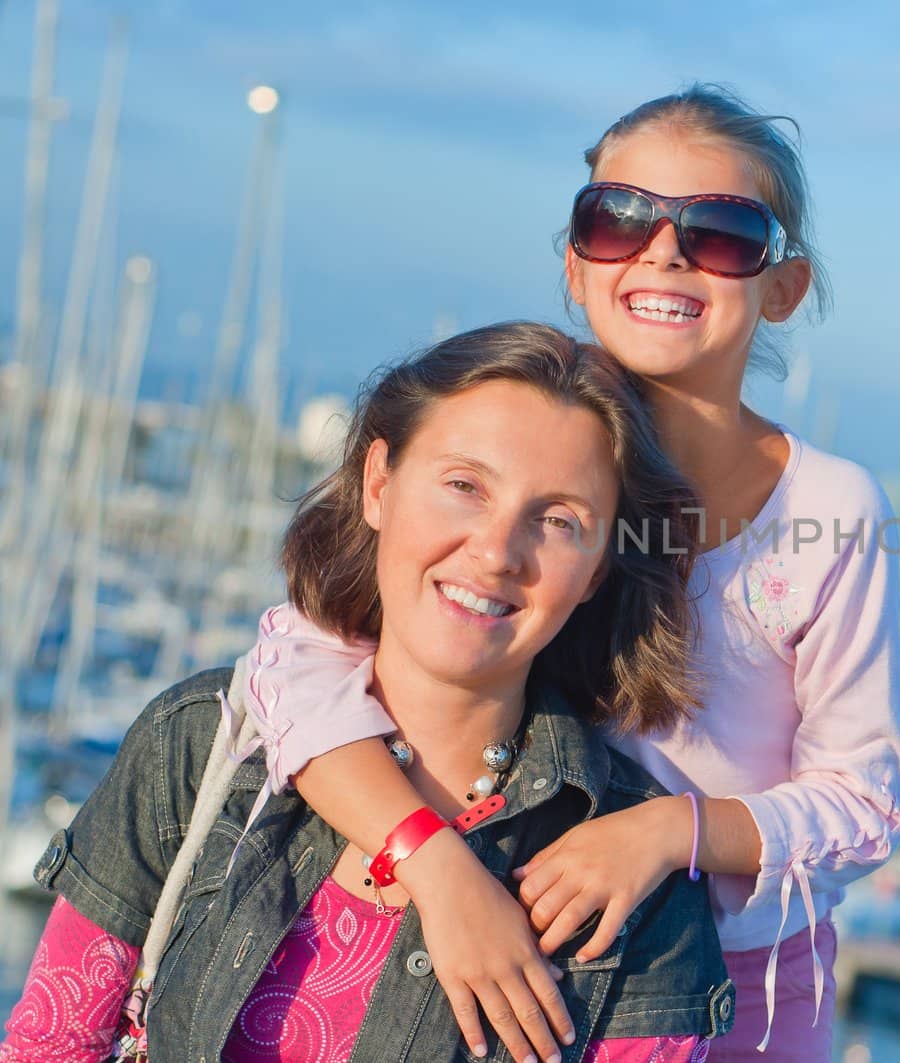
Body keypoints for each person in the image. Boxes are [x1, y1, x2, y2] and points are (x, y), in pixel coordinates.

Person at [231, 84, 900, 1060]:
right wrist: (429, 861)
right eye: (619, 218)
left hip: (747, 987)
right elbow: (294, 668)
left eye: (721, 232)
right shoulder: (519, 441)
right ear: (576, 266)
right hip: (520, 950)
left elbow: (864, 799)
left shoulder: (828, 508)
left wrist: (663, 832)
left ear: (782, 286)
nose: (664, 252)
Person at [0, 322, 732, 1063]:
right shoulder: (201, 744)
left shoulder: (640, 889)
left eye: (557, 520)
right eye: (464, 486)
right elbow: (48, 1045)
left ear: (597, 571)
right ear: (379, 484)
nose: (496, 551)